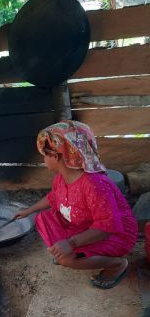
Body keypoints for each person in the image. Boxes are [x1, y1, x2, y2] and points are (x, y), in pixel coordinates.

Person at [14, 120, 138, 289]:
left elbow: (105, 228)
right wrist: (29, 211)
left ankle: (116, 265)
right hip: (84, 224)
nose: (44, 159)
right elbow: (53, 197)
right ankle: (76, 252)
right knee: (43, 217)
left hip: (114, 234)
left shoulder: (94, 185)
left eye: (45, 154)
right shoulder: (61, 178)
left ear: (56, 156)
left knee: (66, 259)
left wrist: (70, 243)